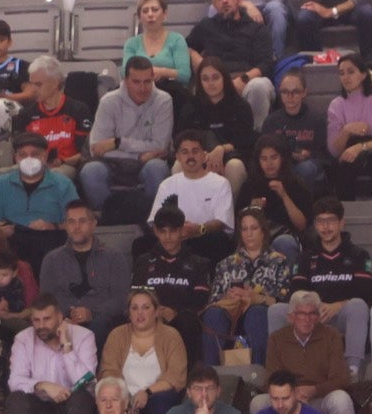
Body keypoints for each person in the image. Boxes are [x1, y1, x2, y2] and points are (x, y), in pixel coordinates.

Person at [275, 197, 372, 375]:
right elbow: (296, 291)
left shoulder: (359, 255)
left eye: (331, 221)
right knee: (276, 310)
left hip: (341, 315)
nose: (326, 227)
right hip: (311, 313)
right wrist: (313, 308)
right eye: (321, 222)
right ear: (315, 224)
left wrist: (337, 305)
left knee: (358, 306)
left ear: (342, 223)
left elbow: (365, 295)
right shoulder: (306, 257)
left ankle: (352, 370)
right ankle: (279, 372)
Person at [3, 295, 99, 414]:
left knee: (82, 397)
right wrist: (43, 385)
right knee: (15, 400)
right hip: (38, 404)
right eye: (36, 320)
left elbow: (87, 381)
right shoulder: (23, 339)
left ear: (60, 317)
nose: (41, 326)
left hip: (72, 403)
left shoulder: (84, 336)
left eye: (47, 319)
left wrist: (67, 346)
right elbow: (14, 381)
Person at [81, 57, 174, 218]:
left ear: (153, 79)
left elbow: (160, 146)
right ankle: (108, 219)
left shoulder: (164, 100)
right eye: (136, 82)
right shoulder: (108, 101)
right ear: (125, 80)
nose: (142, 88)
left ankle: (153, 221)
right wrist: (141, 153)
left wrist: (117, 143)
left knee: (157, 168)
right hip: (113, 163)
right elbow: (96, 148)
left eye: (147, 81)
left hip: (146, 164)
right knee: (90, 171)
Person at [258, 294, 355, 414]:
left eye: (312, 314)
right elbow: (272, 377)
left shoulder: (331, 336)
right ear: (291, 317)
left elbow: (341, 378)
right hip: (286, 397)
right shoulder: (277, 338)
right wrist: (291, 394)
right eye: (301, 314)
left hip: (320, 397)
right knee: (258, 403)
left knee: (341, 400)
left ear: (318, 317)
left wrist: (314, 390)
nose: (307, 319)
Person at [202, 207, 293, 365]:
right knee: (213, 314)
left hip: (260, 314)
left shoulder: (279, 261)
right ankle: (211, 373)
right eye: (244, 229)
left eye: (254, 228)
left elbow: (284, 303)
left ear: (263, 231)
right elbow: (213, 301)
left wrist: (257, 298)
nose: (249, 233)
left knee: (256, 313)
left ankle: (259, 371)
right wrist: (228, 297)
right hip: (231, 314)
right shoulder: (226, 263)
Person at [0, 132, 81, 273]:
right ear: (15, 158)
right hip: (14, 239)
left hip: (48, 240)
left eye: (35, 154)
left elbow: (76, 221)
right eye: (22, 155)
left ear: (45, 156)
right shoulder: (0, 184)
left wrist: (52, 226)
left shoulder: (63, 184)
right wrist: (0, 230)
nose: (28, 159)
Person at [187, 0, 275, 130]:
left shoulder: (256, 28)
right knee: (199, 88)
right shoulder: (206, 25)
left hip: (247, 80)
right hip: (215, 79)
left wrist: (243, 79)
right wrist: (196, 58)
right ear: (214, 3)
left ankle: (255, 139)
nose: (225, 0)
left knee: (259, 86)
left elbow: (266, 64)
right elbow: (186, 46)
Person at [134, 203, 213, 366]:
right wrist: (154, 311)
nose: (167, 237)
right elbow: (136, 296)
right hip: (149, 317)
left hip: (183, 320)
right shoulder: (143, 261)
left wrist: (175, 312)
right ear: (155, 231)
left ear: (182, 230)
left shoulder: (198, 263)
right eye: (162, 231)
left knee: (187, 321)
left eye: (173, 231)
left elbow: (201, 301)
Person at [99, 287, 188, 414]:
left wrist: (147, 393)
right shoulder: (117, 335)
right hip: (124, 397)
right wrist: (123, 397)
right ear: (129, 313)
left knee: (160, 404)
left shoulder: (171, 335)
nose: (140, 313)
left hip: (157, 396)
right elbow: (108, 371)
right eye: (134, 308)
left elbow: (176, 377)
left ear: (156, 311)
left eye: (146, 307)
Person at [41, 201, 130, 340]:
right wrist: (67, 314)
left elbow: (121, 298)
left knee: (100, 325)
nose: (76, 227)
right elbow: (46, 298)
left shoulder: (114, 258)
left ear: (94, 224)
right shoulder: (51, 259)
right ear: (65, 225)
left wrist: (91, 312)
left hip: (101, 322)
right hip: (62, 321)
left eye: (82, 221)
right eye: (71, 222)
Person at [148, 132, 237, 262]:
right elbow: (155, 220)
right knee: (141, 244)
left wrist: (199, 229)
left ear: (203, 155)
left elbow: (221, 222)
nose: (190, 156)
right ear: (177, 156)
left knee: (218, 239)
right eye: (185, 152)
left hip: (204, 238)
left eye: (195, 151)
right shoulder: (167, 185)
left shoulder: (220, 183)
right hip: (174, 239)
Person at [178, 58, 256, 198]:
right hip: (199, 155)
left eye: (215, 77)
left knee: (235, 166)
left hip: (232, 156)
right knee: (178, 166)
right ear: (199, 82)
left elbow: (246, 139)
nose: (211, 83)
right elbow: (181, 137)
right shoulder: (191, 106)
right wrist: (202, 154)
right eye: (205, 79)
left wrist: (221, 149)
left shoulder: (241, 106)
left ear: (224, 79)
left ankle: (231, 216)